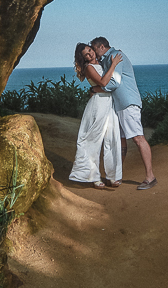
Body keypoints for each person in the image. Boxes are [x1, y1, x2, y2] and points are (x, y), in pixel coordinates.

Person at [91, 37, 156, 190]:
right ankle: (116, 176)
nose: (94, 52)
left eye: (94, 49)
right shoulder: (107, 59)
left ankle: (150, 177)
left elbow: (114, 82)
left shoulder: (116, 56)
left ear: (101, 46)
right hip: (119, 105)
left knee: (138, 138)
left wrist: (96, 89)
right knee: (121, 141)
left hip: (128, 103)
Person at [67, 42, 124, 189]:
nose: (90, 54)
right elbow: (104, 83)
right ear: (83, 58)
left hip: (109, 103)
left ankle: (112, 176)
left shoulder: (102, 62)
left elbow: (107, 85)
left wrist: (112, 62)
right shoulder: (89, 68)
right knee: (93, 140)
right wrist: (114, 64)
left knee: (112, 138)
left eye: (90, 50)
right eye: (86, 54)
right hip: (98, 105)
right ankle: (94, 177)